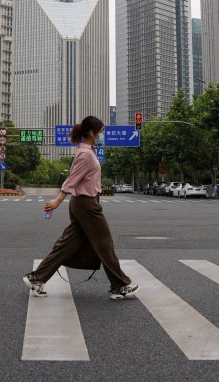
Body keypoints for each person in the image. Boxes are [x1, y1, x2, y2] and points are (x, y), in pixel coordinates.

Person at [23, 116, 139, 301]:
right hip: (87, 205)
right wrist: (58, 201)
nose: (103, 135)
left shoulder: (88, 151)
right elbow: (72, 179)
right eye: (101, 131)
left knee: (66, 245)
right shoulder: (85, 154)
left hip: (85, 204)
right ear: (92, 133)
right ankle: (120, 285)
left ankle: (36, 278)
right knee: (105, 244)